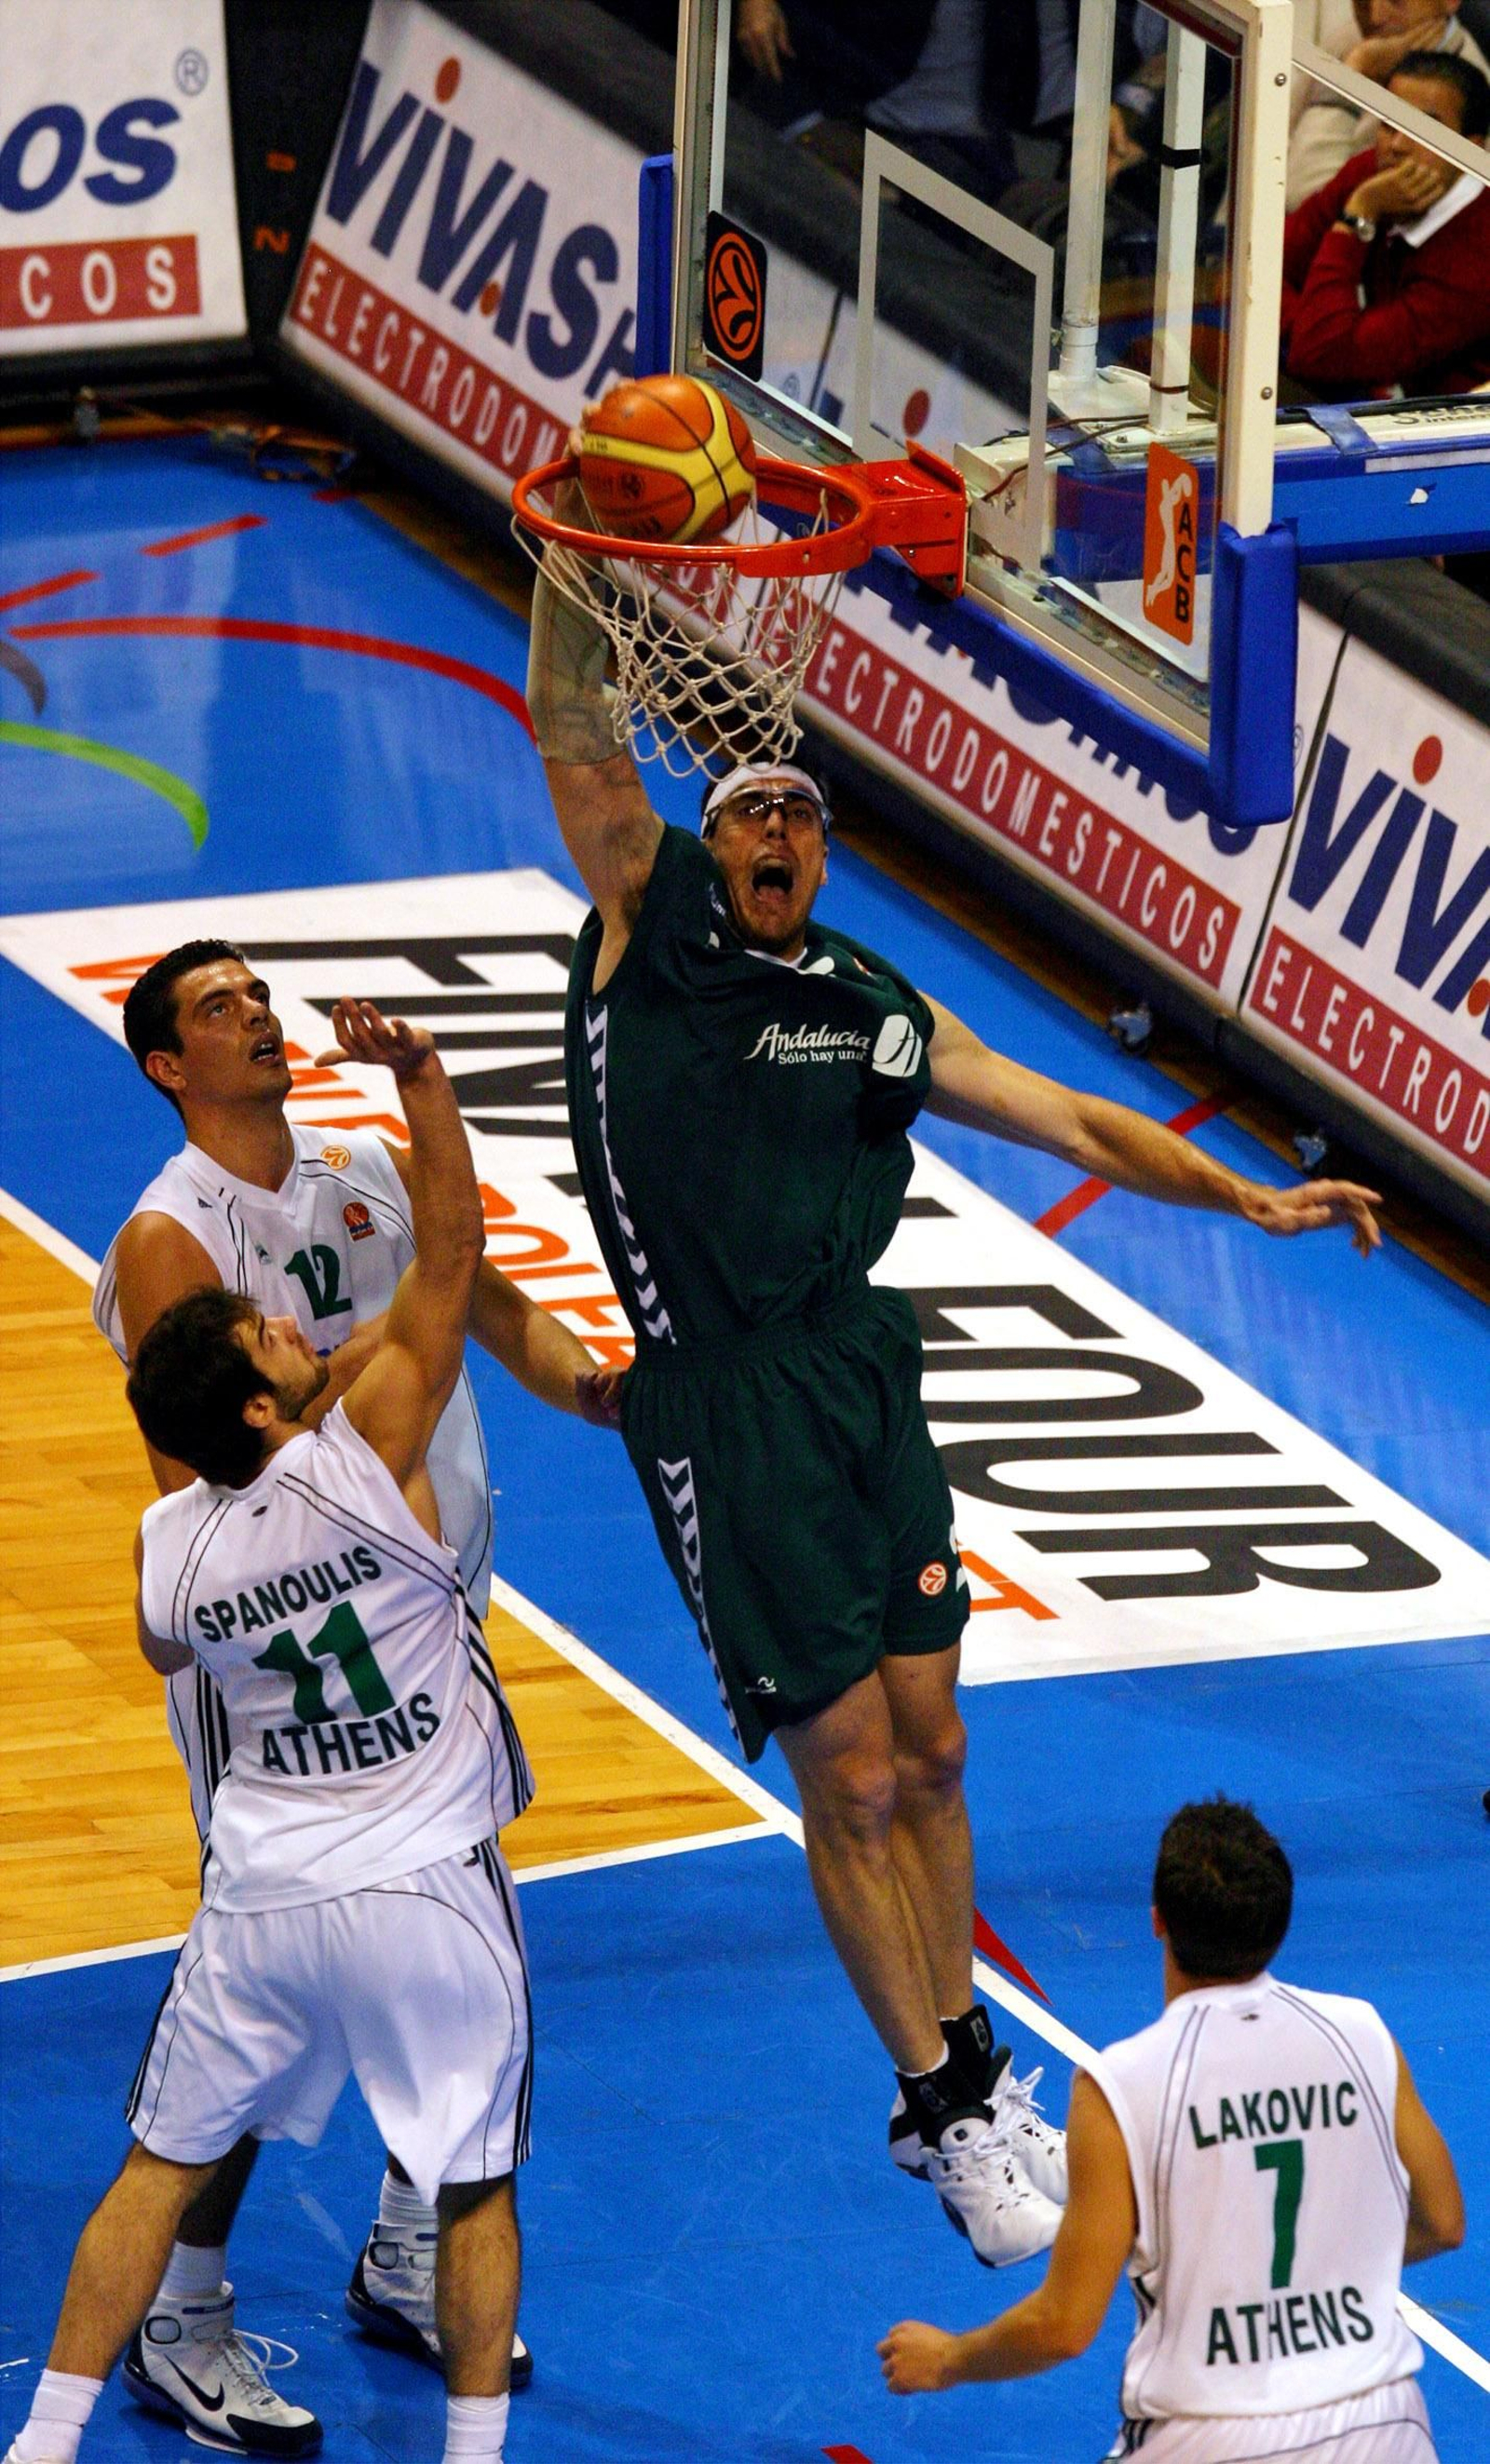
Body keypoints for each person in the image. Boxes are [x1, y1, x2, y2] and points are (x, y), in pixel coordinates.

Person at [525, 485, 1383, 2270]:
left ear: (822, 857)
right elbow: (577, 729)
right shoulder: (654, 926)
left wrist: (1251, 1197)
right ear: (712, 831)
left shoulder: (862, 993)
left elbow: (1061, 1109)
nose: (771, 831)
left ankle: (975, 2065)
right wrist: (576, 548)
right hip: (728, 1395)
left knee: (933, 1748)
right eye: (748, 804)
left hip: (859, 1371)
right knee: (843, 1775)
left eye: (797, 819)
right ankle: (936, 2111)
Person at [6, 1001, 535, 2464]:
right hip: (426, 1870)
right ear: (261, 1394)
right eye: (277, 1332)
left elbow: (169, 1640)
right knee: (476, 2179)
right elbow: (450, 1263)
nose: (304, 1323)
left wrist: (288, 1412)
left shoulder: (170, 1550)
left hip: (262, 1893)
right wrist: (424, 1085)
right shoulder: (380, 1462)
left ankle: (41, 2439)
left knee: (153, 2162)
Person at [880, 1796, 1465, 2461]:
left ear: (1157, 1920)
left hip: (1212, 2441)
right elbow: (1445, 2222)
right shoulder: (1363, 2034)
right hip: (1388, 2432)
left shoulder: (1123, 2085)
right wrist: (1317, 2281)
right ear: (1279, 1925)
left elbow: (1064, 2327)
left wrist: (947, 2359)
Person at [1283, 53, 1490, 399]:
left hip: (1458, 438)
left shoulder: (1479, 255)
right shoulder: (1371, 176)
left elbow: (1323, 355)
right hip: (1377, 401)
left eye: (1424, 131)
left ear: (1470, 150)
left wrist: (1358, 216)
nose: (1397, 145)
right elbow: (1260, 269)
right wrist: (1308, 325)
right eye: (1389, 124)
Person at [1289, 0, 1490, 210]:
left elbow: (1303, 198)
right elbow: (1277, 137)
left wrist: (1348, 78)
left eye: (1396, 2)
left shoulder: (1459, 95)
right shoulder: (1357, 38)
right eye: (1362, 3)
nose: (1375, 17)